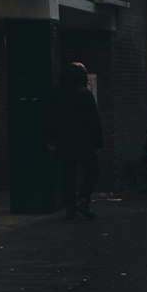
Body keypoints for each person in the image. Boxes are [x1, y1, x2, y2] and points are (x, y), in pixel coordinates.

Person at [46, 62, 103, 219]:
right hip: (85, 141)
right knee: (92, 170)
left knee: (67, 175)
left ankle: (70, 207)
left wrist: (50, 138)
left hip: (64, 141)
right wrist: (98, 142)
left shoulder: (55, 94)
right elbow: (93, 120)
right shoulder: (84, 94)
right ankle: (83, 199)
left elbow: (49, 118)